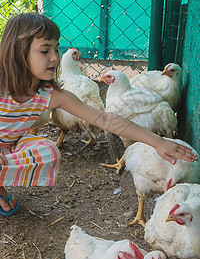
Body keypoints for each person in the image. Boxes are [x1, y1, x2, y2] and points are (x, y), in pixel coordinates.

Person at [0, 13, 197, 216]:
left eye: (56, 49)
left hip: (10, 147)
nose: (54, 57)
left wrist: (158, 142)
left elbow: (104, 119)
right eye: (44, 51)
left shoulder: (49, 94)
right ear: (18, 54)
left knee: (47, 151)